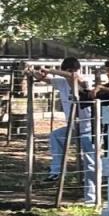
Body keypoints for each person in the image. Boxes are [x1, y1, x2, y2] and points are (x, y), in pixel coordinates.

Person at [31, 57, 97, 204]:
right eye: (69, 70)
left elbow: (74, 77)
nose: (71, 73)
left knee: (91, 163)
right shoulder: (61, 83)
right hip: (73, 128)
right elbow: (44, 78)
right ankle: (56, 171)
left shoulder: (84, 81)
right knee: (56, 136)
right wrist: (34, 72)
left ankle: (91, 198)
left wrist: (50, 70)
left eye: (74, 70)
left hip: (89, 129)